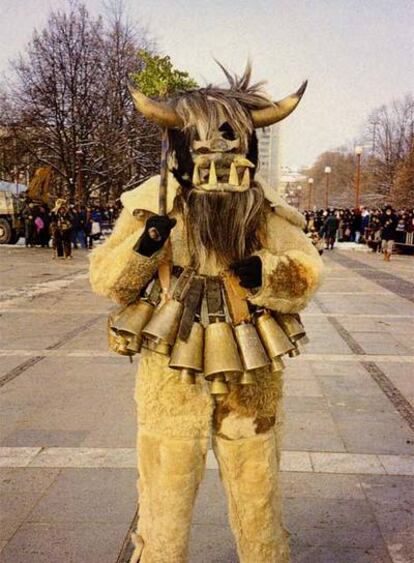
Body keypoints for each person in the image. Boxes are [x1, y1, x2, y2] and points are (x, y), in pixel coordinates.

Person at [89, 64, 323, 563]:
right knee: (164, 500)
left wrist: (268, 273)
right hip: (171, 378)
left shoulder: (266, 211)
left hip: (251, 374)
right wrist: (147, 244)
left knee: (257, 493)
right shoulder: (153, 203)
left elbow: (306, 271)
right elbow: (109, 281)